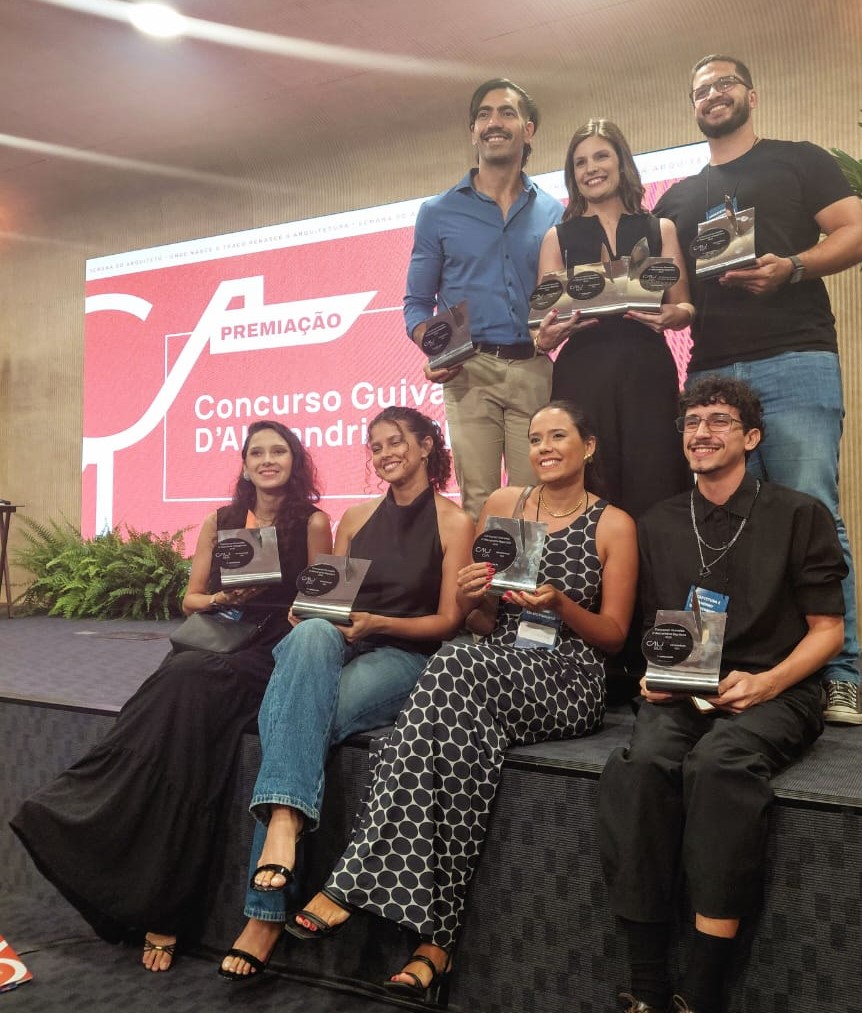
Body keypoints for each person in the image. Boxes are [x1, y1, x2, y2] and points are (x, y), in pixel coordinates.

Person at [283, 400, 638, 1000]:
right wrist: (474, 596)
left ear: (588, 446)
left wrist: (560, 604)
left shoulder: (614, 524)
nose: (544, 448)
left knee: (448, 669)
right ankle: (438, 942)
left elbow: (614, 636)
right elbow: (477, 622)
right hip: (492, 665)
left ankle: (358, 874)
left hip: (568, 675)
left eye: (558, 436)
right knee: (464, 751)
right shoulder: (503, 505)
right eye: (535, 438)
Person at [10, 421, 331, 972]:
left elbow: (321, 598)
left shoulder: (314, 523)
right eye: (257, 452)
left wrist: (293, 607)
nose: (267, 460)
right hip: (216, 641)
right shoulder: (221, 520)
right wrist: (224, 597)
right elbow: (190, 599)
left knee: (182, 684)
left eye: (278, 451)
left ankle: (163, 905)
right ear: (244, 463)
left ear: (294, 460)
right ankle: (92, 811)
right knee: (177, 702)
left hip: (269, 652)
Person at [598, 376, 847, 1013]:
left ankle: (704, 992)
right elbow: (657, 631)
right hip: (684, 691)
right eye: (692, 422)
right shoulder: (658, 522)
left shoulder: (799, 515)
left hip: (777, 688)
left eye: (718, 421)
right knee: (640, 767)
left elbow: (828, 632)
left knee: (719, 765)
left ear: (752, 437)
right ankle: (646, 986)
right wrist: (652, 676)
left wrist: (766, 683)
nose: (701, 433)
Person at [653, 54, 862, 725]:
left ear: (751, 94)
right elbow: (677, 298)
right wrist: (643, 309)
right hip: (711, 369)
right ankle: (706, 666)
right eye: (700, 89)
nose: (712, 94)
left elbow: (858, 236)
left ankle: (839, 673)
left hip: (797, 356)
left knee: (813, 512)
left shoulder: (799, 159)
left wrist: (793, 267)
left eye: (723, 83)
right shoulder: (676, 200)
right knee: (713, 523)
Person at [218, 407, 474, 980]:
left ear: (427, 446)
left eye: (396, 442)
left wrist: (377, 623)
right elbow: (329, 600)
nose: (385, 454)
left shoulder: (456, 522)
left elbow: (447, 622)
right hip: (344, 640)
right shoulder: (355, 518)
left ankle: (263, 911)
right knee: (308, 633)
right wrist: (310, 610)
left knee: (297, 720)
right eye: (375, 446)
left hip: (405, 653)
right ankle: (284, 827)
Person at [405, 77, 563, 520]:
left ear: (527, 130)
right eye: (484, 114)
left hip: (534, 367)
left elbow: (560, 297)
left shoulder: (554, 212)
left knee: (534, 503)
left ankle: (526, 573)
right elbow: (416, 304)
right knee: (479, 503)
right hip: (469, 370)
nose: (494, 122)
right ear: (473, 130)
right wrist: (434, 347)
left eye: (507, 113)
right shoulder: (437, 212)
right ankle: (483, 571)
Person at [536, 118, 692, 521]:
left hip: (647, 370)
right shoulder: (557, 238)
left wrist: (672, 315)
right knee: (588, 483)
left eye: (601, 156)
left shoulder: (660, 228)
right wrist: (546, 336)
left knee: (655, 477)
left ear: (622, 162)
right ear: (572, 175)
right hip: (582, 373)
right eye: (580, 162)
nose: (591, 168)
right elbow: (541, 326)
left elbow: (685, 307)